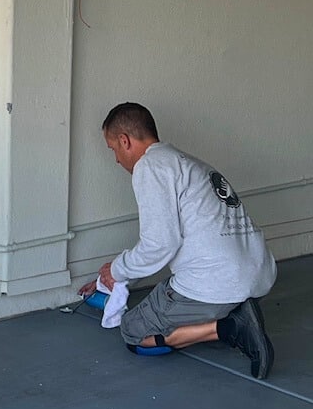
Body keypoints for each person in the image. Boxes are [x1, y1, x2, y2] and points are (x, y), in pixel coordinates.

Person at [88, 102, 276, 378]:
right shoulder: (186, 163)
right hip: (259, 274)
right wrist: (121, 277)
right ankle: (232, 310)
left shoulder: (149, 167)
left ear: (124, 141)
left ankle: (230, 328)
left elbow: (160, 245)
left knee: (133, 331)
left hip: (217, 282)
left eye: (113, 149)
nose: (116, 159)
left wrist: (114, 270)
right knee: (167, 291)